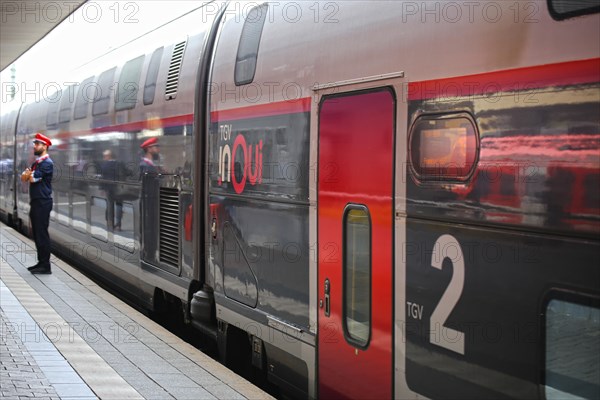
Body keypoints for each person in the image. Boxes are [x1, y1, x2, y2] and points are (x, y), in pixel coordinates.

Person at [21, 133, 54, 274]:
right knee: (37, 232)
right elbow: (24, 177)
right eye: (35, 144)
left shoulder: (47, 163)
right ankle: (41, 262)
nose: (34, 146)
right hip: (37, 201)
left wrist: (28, 175)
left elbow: (32, 179)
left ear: (45, 146)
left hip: (43, 202)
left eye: (37, 144)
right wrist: (27, 175)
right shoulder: (37, 163)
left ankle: (45, 265)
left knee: (41, 234)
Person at [100, 149, 123, 231]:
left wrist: (102, 189)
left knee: (110, 206)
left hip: (109, 189)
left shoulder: (104, 166)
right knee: (119, 206)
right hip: (119, 189)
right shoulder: (119, 164)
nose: (104, 158)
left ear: (108, 156)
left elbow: (102, 178)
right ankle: (119, 225)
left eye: (105, 156)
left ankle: (110, 224)